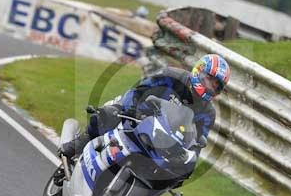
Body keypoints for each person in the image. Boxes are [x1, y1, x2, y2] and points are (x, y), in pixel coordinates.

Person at [59, 54, 231, 165]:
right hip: (137, 112)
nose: (210, 87)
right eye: (209, 79)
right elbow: (139, 89)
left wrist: (187, 160)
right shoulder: (172, 76)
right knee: (108, 115)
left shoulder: (208, 113)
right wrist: (132, 108)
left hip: (163, 137)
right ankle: (79, 144)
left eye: (215, 86)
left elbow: (197, 143)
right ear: (199, 71)